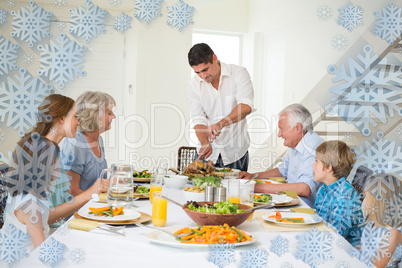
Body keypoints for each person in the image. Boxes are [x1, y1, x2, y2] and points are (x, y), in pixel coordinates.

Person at [2, 94, 103, 250]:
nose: (79, 122)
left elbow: (45, 216)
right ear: (61, 119)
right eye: (75, 117)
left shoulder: (47, 150)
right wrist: (90, 193)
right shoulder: (44, 152)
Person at [239, 103, 324, 207]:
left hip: (307, 210)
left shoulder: (312, 147)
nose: (279, 134)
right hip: (294, 202)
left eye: (282, 129)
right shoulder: (296, 144)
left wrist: (257, 187)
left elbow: (304, 189)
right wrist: (253, 176)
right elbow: (283, 170)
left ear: (298, 128)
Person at [187, 43, 254, 171]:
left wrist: (220, 124)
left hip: (236, 153)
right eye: (197, 72)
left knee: (236, 191)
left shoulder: (239, 73)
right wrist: (204, 142)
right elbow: (198, 118)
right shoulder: (193, 85)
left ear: (214, 58)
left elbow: (245, 106)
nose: (203, 76)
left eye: (205, 70)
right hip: (208, 154)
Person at [61, 91, 116, 196]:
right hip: (78, 210)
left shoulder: (98, 139)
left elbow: (95, 185)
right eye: (109, 113)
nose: (114, 117)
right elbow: (72, 191)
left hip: (95, 207)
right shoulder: (75, 142)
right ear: (94, 115)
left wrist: (112, 183)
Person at [313, 140, 364, 246]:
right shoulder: (324, 189)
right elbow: (316, 219)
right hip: (326, 242)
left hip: (345, 251)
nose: (313, 165)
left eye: (316, 161)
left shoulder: (345, 196)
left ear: (329, 168)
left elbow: (337, 236)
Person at [358, 173, 401, 268]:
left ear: (378, 203)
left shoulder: (392, 235)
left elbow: (375, 266)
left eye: (366, 197)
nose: (363, 200)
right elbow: (363, 248)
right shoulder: (372, 223)